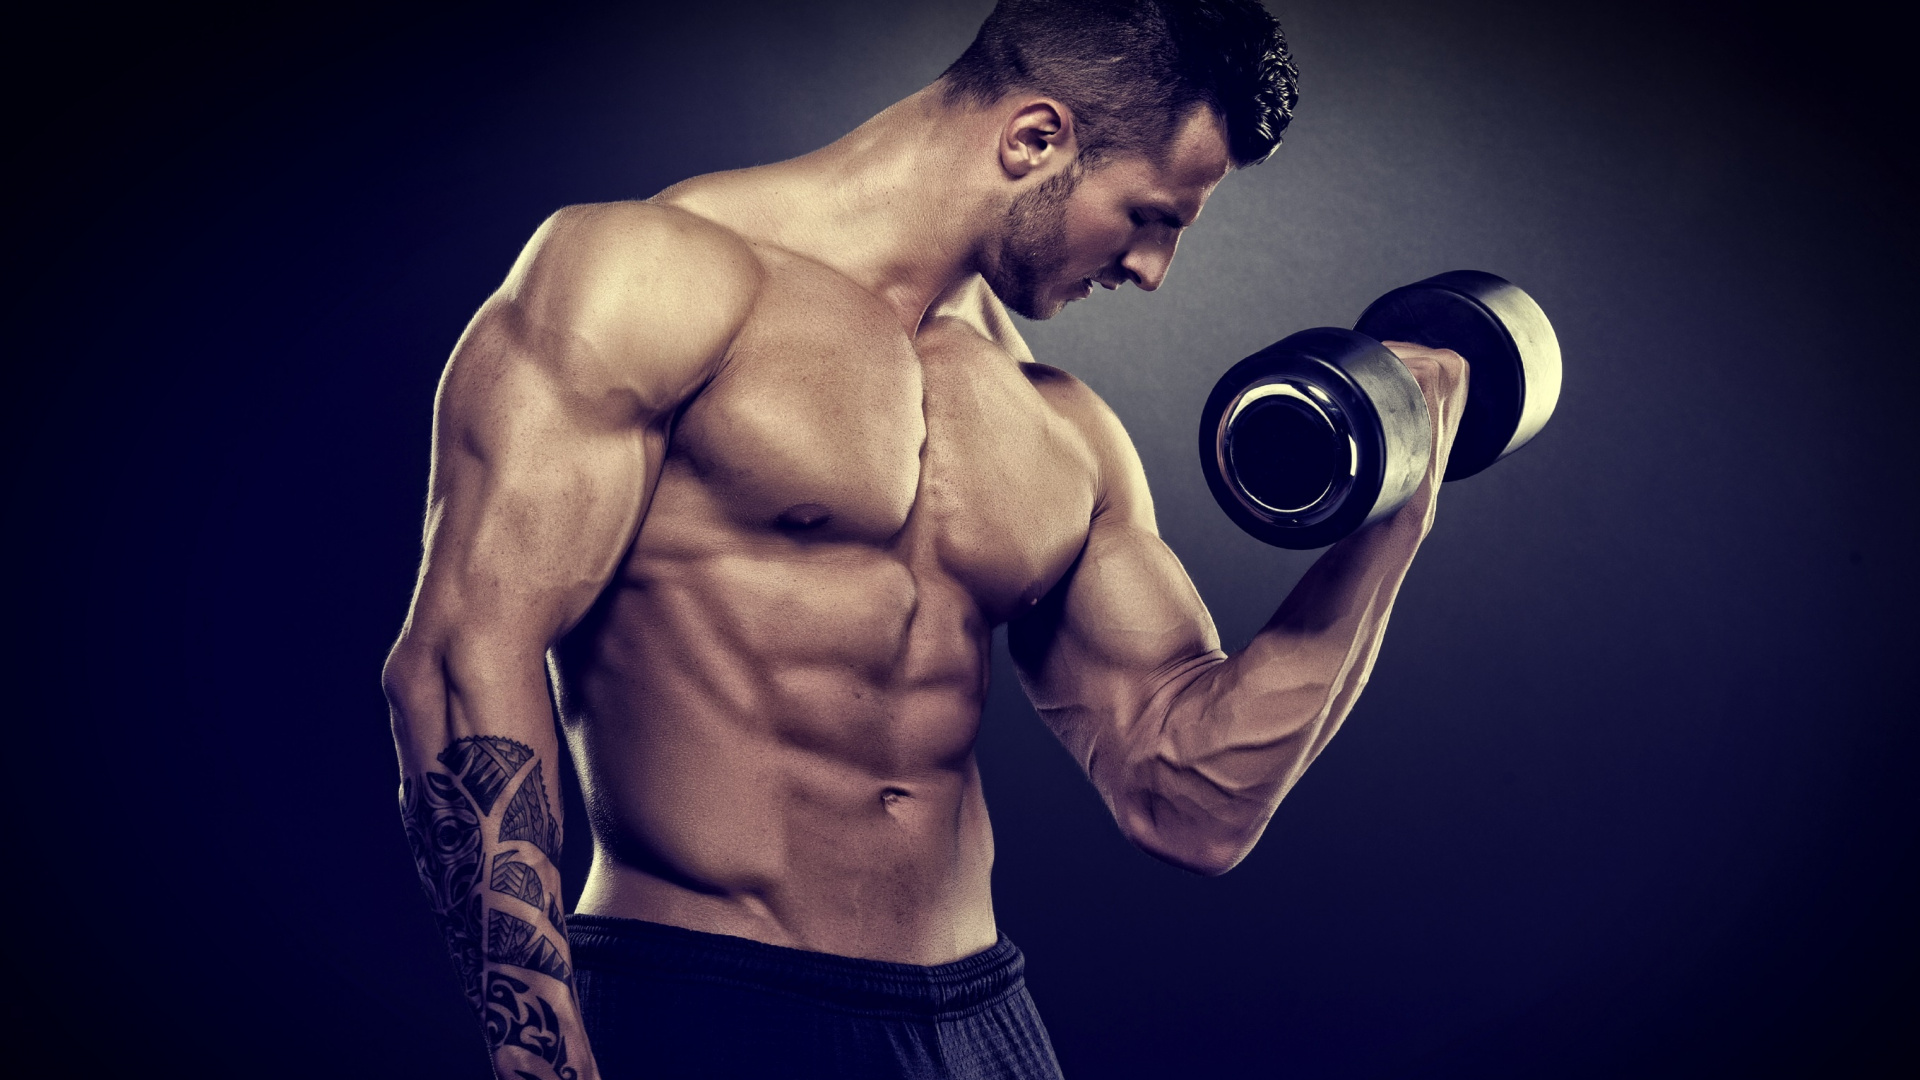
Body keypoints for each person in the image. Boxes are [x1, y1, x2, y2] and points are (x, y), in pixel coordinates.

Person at [382, 1, 1466, 1077]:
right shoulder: (649, 277)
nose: (1152, 269)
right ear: (1034, 138)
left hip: (980, 1022)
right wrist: (539, 1061)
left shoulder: (1058, 420)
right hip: (709, 1001)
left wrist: (1398, 510)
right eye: (1150, 217)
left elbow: (1189, 801)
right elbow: (461, 656)